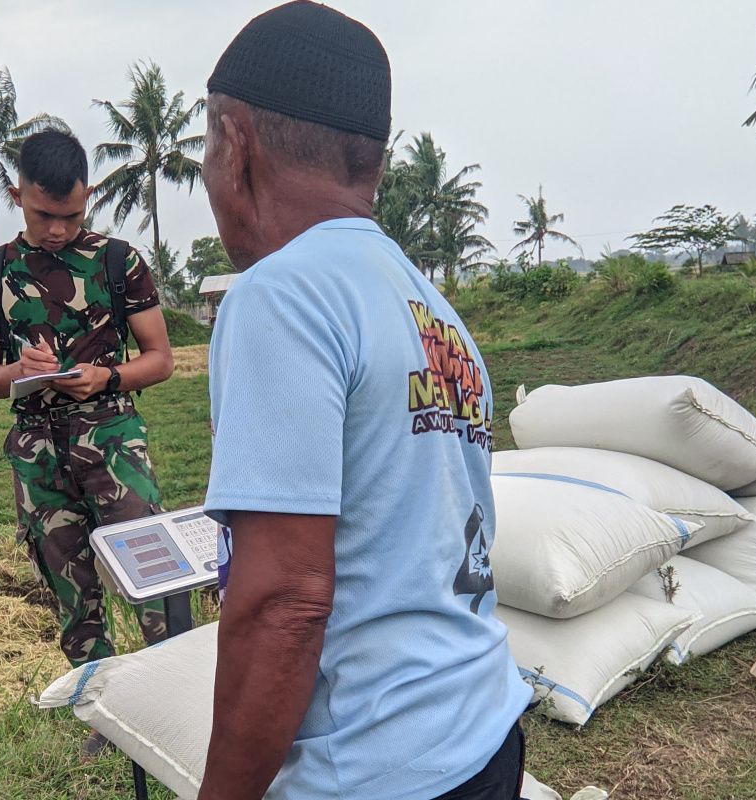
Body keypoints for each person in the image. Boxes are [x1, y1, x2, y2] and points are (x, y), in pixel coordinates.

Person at [197, 3, 533, 799]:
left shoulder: (283, 295)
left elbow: (285, 602)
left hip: (373, 772)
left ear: (235, 145)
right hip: (484, 731)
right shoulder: (433, 312)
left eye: (205, 146)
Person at [0, 130, 174, 714]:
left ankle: (174, 698)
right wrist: (17, 371)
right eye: (44, 215)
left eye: (72, 215)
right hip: (37, 450)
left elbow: (161, 360)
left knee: (152, 574)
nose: (58, 230)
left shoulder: (117, 261)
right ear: (17, 196)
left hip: (112, 438)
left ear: (88, 197)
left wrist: (106, 378)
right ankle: (102, 715)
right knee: (72, 595)